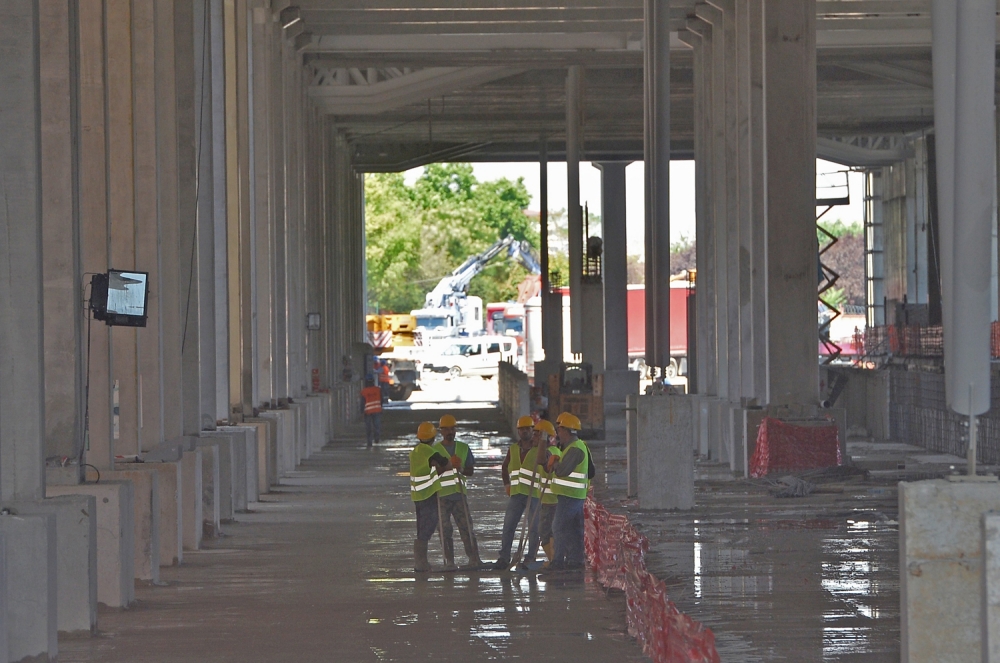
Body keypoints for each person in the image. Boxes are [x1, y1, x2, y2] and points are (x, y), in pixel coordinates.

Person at [540, 412, 591, 573]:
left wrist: (554, 463)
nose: (558, 434)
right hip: (573, 495)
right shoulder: (573, 447)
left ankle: (558, 562)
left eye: (560, 430)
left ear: (567, 431)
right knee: (574, 530)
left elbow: (562, 471)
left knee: (558, 527)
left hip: (570, 496)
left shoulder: (575, 449)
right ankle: (575, 560)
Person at [432, 414, 483, 570]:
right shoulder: (435, 450)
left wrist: (461, 469)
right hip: (441, 496)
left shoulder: (463, 448)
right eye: (446, 429)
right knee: (444, 529)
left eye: (452, 428)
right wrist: (448, 465)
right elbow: (431, 473)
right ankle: (449, 561)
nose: (450, 431)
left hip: (459, 496)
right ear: (441, 431)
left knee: (466, 528)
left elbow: (470, 471)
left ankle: (474, 559)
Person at [491, 416, 539, 570]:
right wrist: (507, 485)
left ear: (532, 430)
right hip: (517, 494)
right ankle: (504, 557)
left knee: (533, 528)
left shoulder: (539, 449)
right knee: (508, 526)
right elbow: (505, 468)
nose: (525, 431)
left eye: (528, 428)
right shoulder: (513, 449)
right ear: (518, 431)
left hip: (534, 495)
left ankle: (530, 558)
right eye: (522, 429)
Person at [409, 422, 450, 572]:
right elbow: (446, 463)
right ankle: (420, 562)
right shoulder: (431, 452)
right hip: (428, 494)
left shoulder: (415, 452)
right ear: (433, 437)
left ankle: (420, 562)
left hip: (417, 495)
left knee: (421, 526)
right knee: (429, 524)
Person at [521, 419, 559, 570]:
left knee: (544, 532)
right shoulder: (550, 451)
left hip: (551, 500)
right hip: (547, 500)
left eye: (537, 435)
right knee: (549, 532)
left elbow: (543, 462)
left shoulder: (549, 452)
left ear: (546, 438)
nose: (533, 438)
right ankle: (553, 560)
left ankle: (553, 561)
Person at [359, 375, 383, 447]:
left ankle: (369, 442)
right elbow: (381, 400)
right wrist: (380, 406)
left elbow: (362, 402)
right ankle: (377, 438)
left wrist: (361, 411)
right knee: (377, 426)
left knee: (368, 427)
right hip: (377, 410)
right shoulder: (378, 390)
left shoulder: (364, 391)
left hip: (368, 412)